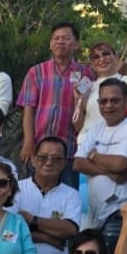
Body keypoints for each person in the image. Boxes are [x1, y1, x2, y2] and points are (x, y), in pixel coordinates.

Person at [73, 78, 127, 249]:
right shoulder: (97, 127)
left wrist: (93, 156)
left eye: (115, 100)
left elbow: (120, 164)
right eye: (103, 101)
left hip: (123, 210)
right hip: (97, 213)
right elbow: (77, 163)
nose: (108, 105)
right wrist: (110, 173)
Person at [16, 22, 94, 185]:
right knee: (35, 191)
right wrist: (28, 142)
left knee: (68, 191)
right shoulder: (36, 72)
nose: (60, 42)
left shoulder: (85, 73)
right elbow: (29, 108)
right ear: (51, 44)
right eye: (56, 38)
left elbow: (87, 109)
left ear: (76, 44)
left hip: (71, 148)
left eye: (66, 38)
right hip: (39, 147)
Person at [12, 136, 81, 254]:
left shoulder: (71, 194)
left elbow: (70, 230)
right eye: (43, 157)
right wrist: (48, 238)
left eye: (56, 159)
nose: (49, 162)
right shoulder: (15, 190)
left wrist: (32, 220)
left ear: (64, 163)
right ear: (33, 160)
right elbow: (9, 233)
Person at [73, 42, 127, 142]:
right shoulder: (87, 87)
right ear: (92, 64)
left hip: (119, 142)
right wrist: (78, 100)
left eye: (106, 54)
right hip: (89, 142)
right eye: (96, 57)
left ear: (116, 57)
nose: (102, 59)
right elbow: (78, 127)